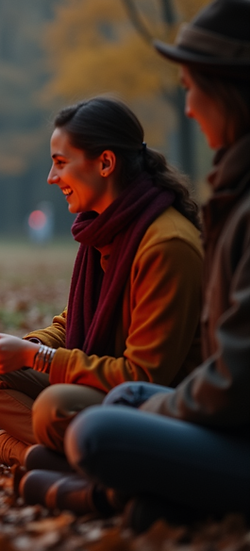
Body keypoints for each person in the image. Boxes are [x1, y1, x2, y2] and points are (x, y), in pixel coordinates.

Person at [54, 0, 250, 530]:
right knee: (118, 401)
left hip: (233, 419)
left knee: (96, 430)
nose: (187, 108)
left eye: (191, 87)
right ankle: (149, 494)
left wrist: (144, 412)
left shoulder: (168, 240)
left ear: (229, 90)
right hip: (217, 408)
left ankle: (105, 493)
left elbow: (231, 382)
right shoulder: (231, 192)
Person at [0, 97, 204, 471]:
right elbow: (73, 323)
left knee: (54, 407)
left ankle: (45, 455)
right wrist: (22, 348)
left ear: (106, 163)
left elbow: (141, 376)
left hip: (160, 404)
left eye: (61, 163)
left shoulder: (166, 244)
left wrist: (34, 358)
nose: (51, 177)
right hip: (104, 384)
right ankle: (65, 455)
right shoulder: (105, 230)